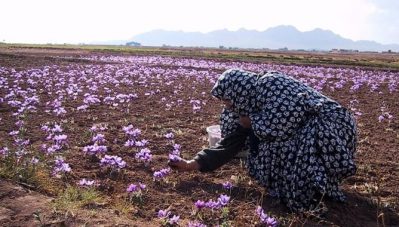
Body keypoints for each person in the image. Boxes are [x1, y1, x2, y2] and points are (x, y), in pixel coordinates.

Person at [169, 69, 357, 213]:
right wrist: (192, 164)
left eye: (227, 100)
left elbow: (286, 120)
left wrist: (253, 122)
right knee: (267, 141)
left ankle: (311, 191)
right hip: (306, 128)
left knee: (277, 143)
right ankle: (306, 186)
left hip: (331, 126)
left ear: (238, 91)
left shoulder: (270, 84)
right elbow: (230, 143)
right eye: (225, 102)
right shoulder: (243, 104)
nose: (227, 106)